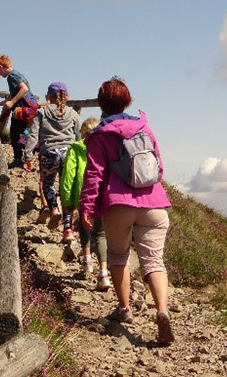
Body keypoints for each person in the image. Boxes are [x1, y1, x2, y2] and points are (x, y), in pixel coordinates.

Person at [79, 77, 174, 344]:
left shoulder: (100, 135)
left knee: (118, 256)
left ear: (101, 104)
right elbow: (159, 167)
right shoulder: (144, 127)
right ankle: (162, 310)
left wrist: (86, 207)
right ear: (127, 100)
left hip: (119, 205)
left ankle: (124, 310)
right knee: (154, 262)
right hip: (154, 204)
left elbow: (94, 175)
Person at [59, 118, 111, 291]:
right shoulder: (105, 148)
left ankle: (87, 262)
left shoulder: (75, 148)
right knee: (101, 234)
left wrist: (66, 200)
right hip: (102, 193)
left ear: (82, 133)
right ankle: (103, 273)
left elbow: (68, 175)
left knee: (84, 225)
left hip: (83, 193)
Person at [24, 82, 81, 230]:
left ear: (48, 97)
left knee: (48, 184)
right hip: (69, 155)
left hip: (49, 153)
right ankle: (68, 230)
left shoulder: (42, 113)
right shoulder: (73, 114)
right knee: (66, 189)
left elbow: (33, 135)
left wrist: (28, 156)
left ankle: (54, 209)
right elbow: (79, 137)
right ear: (66, 96)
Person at [0, 55, 39, 169]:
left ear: (1, 67)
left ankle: (18, 159)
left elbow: (23, 89)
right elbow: (12, 95)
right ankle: (32, 150)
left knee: (14, 133)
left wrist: (11, 103)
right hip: (29, 107)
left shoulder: (11, 76)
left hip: (22, 109)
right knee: (24, 131)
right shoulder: (18, 74)